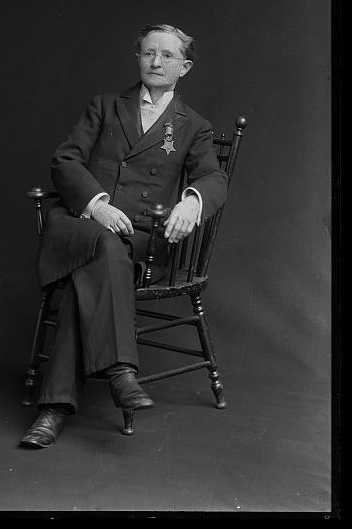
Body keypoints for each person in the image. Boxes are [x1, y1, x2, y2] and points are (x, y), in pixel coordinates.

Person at [20, 24, 228, 449]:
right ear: (137, 58)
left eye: (167, 56)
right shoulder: (104, 106)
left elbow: (212, 176)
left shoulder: (194, 126)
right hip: (81, 223)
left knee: (94, 269)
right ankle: (120, 371)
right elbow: (65, 161)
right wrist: (96, 203)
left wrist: (191, 202)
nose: (156, 62)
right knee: (101, 245)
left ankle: (54, 409)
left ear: (184, 67)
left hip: (140, 240)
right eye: (148, 53)